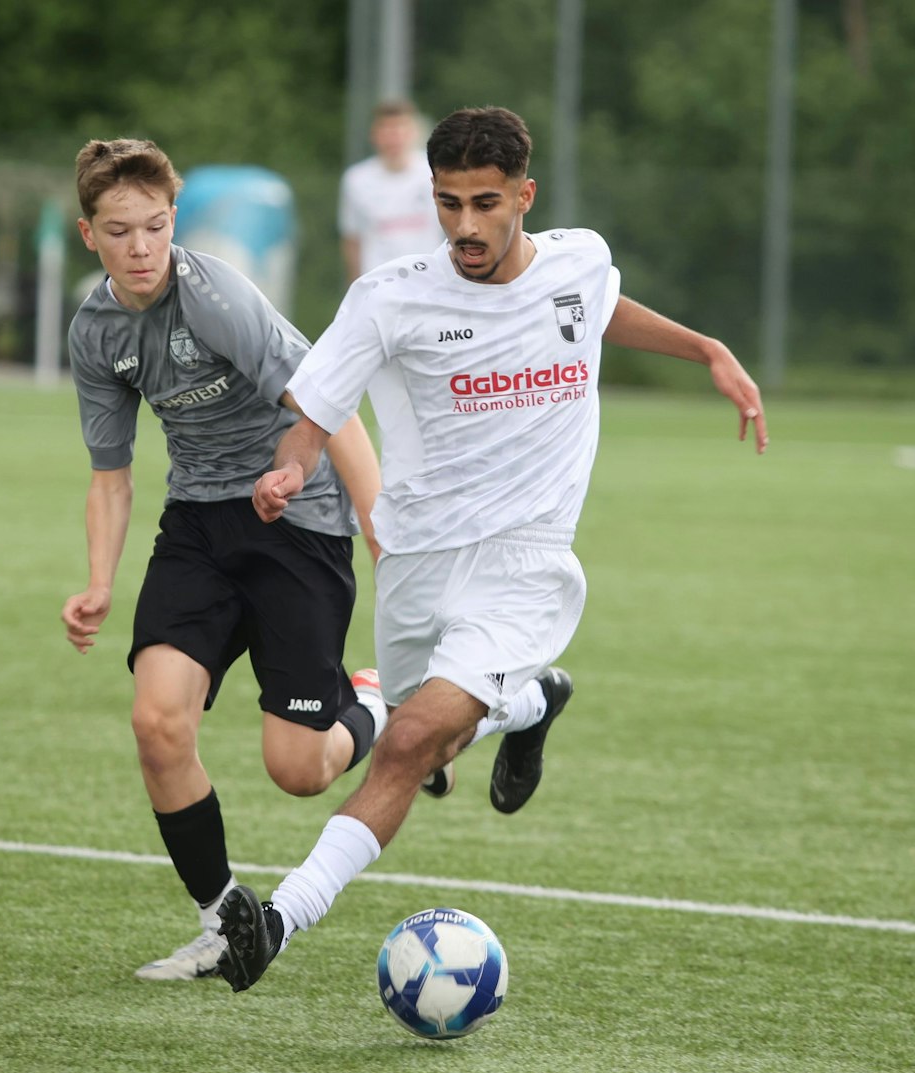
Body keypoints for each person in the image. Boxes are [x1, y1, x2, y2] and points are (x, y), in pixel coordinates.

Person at [216, 106, 768, 992]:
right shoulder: (389, 297)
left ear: (524, 196)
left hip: (525, 563)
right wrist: (288, 470)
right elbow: (313, 420)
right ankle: (533, 703)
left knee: (406, 746)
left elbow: (594, 308)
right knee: (421, 742)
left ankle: (277, 921)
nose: (464, 226)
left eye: (484, 203)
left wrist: (704, 349)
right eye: (448, 204)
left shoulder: (579, 260)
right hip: (415, 558)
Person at [60, 138, 389, 981]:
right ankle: (221, 921)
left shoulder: (215, 297)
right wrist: (98, 582)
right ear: (88, 234)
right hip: (199, 527)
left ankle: (373, 704)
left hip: (298, 520)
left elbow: (331, 406)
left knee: (299, 770)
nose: (141, 247)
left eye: (155, 226)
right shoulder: (94, 332)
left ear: (174, 221)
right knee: (156, 722)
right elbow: (110, 475)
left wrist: (380, 531)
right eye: (119, 231)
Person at [337, 99, 442, 281]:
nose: (394, 138)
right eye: (386, 131)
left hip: (429, 279)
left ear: (414, 132)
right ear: (374, 135)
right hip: (379, 281)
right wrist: (356, 284)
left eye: (400, 129)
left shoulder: (435, 172)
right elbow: (352, 238)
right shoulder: (356, 179)